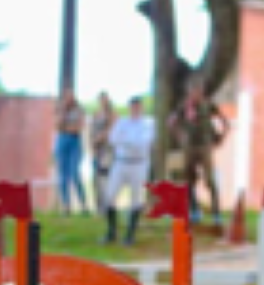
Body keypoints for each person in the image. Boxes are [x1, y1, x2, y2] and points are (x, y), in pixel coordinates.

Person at [167, 75, 229, 227]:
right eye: (192, 90)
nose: (194, 93)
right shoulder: (185, 106)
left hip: (204, 146)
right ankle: (194, 210)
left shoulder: (208, 105)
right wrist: (180, 137)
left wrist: (221, 137)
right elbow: (171, 122)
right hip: (190, 147)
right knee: (189, 180)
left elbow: (224, 121)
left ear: (201, 91)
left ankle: (216, 214)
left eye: (197, 90)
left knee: (209, 179)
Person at [103, 96, 155, 245]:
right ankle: (111, 232)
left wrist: (125, 141)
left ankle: (130, 235)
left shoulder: (148, 123)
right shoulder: (122, 122)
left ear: (141, 108)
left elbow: (143, 143)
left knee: (136, 198)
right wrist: (128, 142)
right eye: (133, 107)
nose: (135, 110)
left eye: (138, 107)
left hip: (139, 164)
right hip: (121, 162)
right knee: (110, 195)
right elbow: (113, 139)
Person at [53, 88, 88, 216]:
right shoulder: (60, 109)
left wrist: (67, 128)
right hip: (62, 141)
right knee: (63, 175)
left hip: (75, 142)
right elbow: (57, 124)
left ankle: (83, 205)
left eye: (71, 96)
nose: (69, 99)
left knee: (75, 174)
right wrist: (63, 113)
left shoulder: (79, 110)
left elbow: (79, 127)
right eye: (67, 96)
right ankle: (66, 206)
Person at [89, 92, 116, 212]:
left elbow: (112, 129)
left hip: (107, 150)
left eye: (104, 99)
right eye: (100, 99)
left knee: (106, 177)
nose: (102, 102)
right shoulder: (96, 114)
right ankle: (99, 206)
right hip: (97, 150)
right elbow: (91, 131)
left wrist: (100, 137)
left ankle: (108, 205)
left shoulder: (112, 115)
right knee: (97, 179)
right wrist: (93, 144)